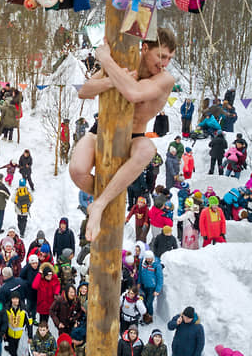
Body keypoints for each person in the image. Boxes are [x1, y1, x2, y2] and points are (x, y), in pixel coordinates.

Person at [70, 29, 177, 241]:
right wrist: (111, 81)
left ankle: (100, 204)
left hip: (134, 136)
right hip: (101, 130)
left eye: (169, 58)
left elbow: (134, 92)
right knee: (77, 170)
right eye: (161, 56)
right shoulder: (126, 61)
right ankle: (108, 197)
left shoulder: (165, 79)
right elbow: (85, 91)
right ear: (145, 48)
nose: (164, 63)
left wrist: (105, 59)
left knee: (148, 149)